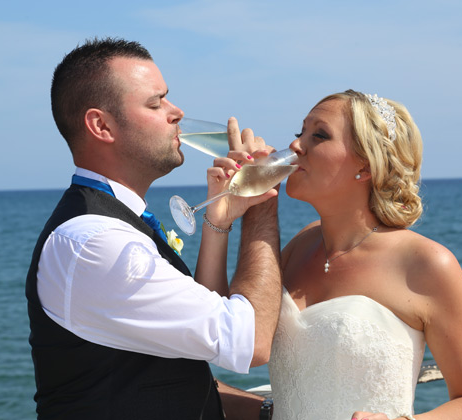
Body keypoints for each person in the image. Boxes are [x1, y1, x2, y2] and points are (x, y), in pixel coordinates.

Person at [25, 37, 282, 419]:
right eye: (155, 103)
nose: (176, 112)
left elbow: (189, 349)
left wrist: (220, 220)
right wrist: (263, 200)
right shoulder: (97, 245)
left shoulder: (109, 223)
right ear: (101, 125)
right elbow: (252, 340)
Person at [225, 90, 462, 419]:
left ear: (365, 166)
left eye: (319, 135)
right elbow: (229, 331)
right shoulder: (298, 246)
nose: (296, 146)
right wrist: (225, 216)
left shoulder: (426, 263)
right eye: (300, 133)